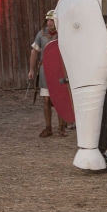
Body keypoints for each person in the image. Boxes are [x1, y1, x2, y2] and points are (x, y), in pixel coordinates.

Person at [28, 10, 66, 138]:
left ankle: (62, 128)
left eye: (52, 20)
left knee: (60, 99)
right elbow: (34, 52)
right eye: (48, 20)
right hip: (45, 71)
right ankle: (48, 128)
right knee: (46, 99)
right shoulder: (41, 34)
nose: (49, 23)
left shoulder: (63, 34)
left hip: (58, 71)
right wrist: (31, 70)